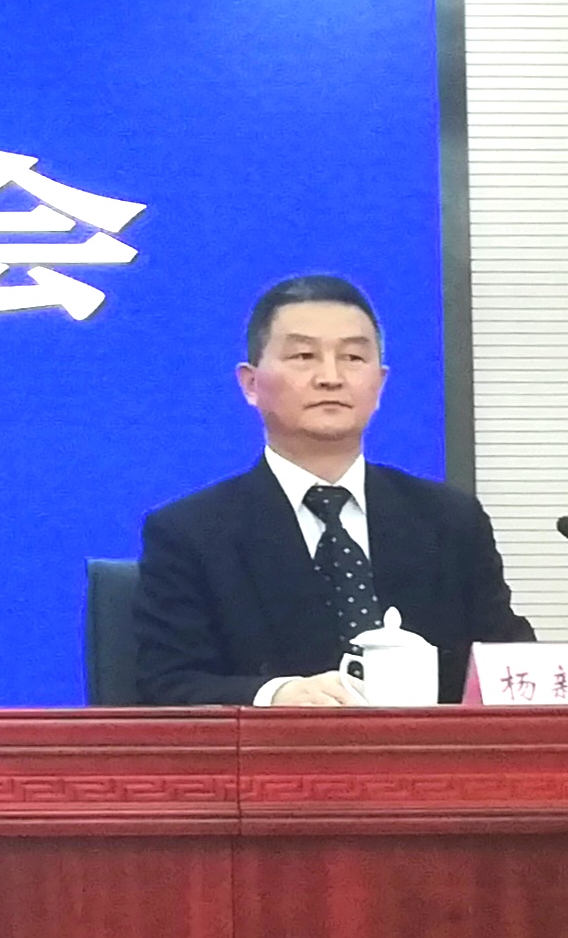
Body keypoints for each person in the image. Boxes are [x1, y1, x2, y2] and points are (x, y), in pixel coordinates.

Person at [135, 275, 530, 706]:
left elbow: (508, 668)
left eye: (353, 357)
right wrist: (276, 695)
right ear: (250, 384)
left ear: (379, 384)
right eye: (304, 356)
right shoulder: (191, 533)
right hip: (277, 749)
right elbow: (165, 685)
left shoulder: (450, 521)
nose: (331, 377)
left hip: (427, 749)